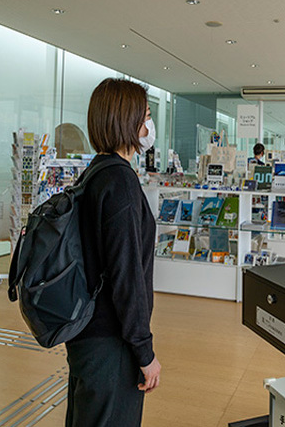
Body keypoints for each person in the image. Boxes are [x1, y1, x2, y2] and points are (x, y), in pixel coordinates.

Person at [65, 78, 161, 427]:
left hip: (85, 334)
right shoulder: (120, 181)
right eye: (146, 115)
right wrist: (145, 352)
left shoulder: (95, 174)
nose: (150, 125)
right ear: (128, 120)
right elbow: (126, 275)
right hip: (111, 342)